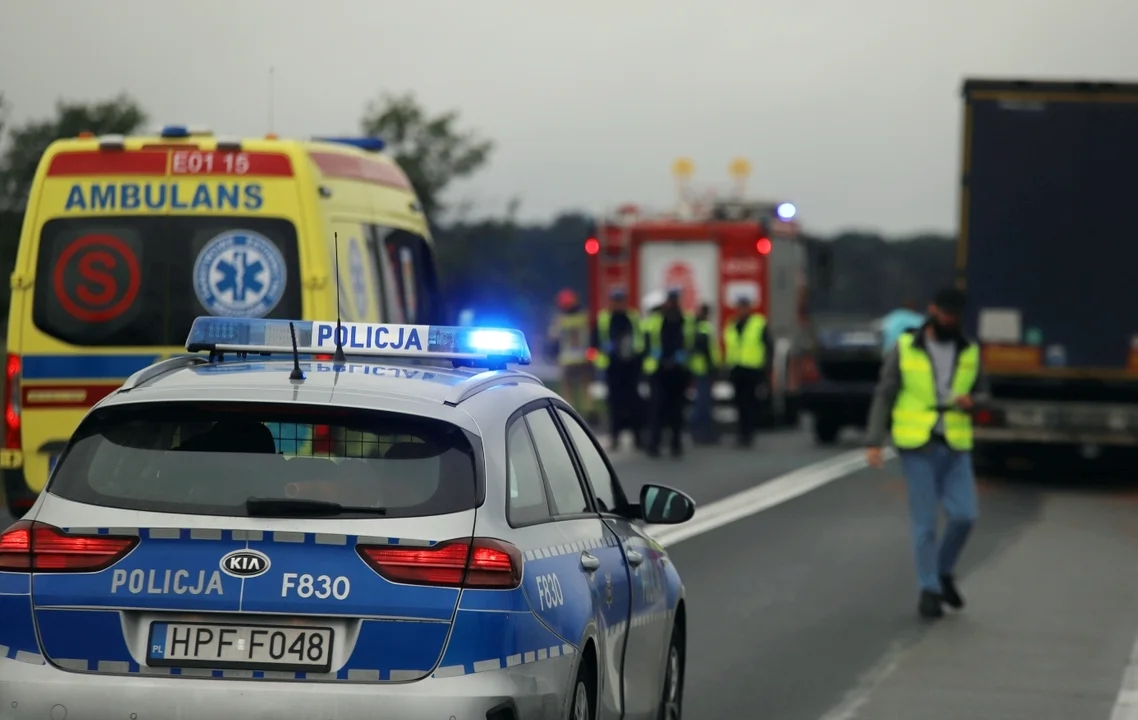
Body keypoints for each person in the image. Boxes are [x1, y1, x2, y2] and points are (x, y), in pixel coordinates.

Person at [865, 287, 983, 620]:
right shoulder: (906, 347)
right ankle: (929, 590)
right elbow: (885, 393)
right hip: (917, 443)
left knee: (965, 515)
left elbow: (983, 390)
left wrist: (974, 402)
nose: (951, 320)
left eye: (956, 316)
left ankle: (943, 572)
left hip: (956, 442)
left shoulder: (969, 349)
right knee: (926, 522)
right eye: (946, 314)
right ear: (933, 311)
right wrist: (874, 440)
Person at [643, 288, 694, 458]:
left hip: (678, 371)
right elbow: (646, 343)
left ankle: (676, 444)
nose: (672, 303)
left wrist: (683, 356)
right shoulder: (655, 320)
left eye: (674, 299)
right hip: (659, 371)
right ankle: (654, 444)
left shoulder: (686, 320)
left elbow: (691, 343)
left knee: (677, 410)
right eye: (670, 300)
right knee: (657, 409)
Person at [591, 288, 643, 451]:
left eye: (621, 300)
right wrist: (604, 360)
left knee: (633, 403)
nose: (618, 304)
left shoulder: (632, 317)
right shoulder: (604, 319)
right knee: (614, 405)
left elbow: (640, 341)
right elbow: (594, 347)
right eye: (616, 300)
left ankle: (638, 437)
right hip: (613, 369)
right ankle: (615, 437)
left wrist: (635, 356)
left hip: (630, 368)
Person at [723, 294, 772, 448]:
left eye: (744, 306)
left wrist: (766, 368)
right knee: (739, 403)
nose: (742, 310)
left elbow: (768, 346)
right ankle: (741, 433)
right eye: (739, 307)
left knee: (750, 403)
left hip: (752, 369)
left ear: (749, 308)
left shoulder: (758, 323)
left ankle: (748, 434)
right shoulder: (732, 324)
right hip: (737, 369)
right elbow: (729, 348)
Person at [546, 289, 593, 420]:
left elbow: (552, 337)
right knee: (585, 386)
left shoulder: (560, 319)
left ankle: (568, 412)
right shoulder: (584, 317)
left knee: (568, 388)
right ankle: (589, 412)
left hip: (567, 359)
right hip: (583, 357)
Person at [688, 303, 720, 445]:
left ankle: (701, 431)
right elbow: (707, 351)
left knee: (702, 402)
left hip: (700, 370)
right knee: (703, 404)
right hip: (704, 370)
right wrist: (714, 367)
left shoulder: (695, 327)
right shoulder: (703, 328)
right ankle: (701, 431)